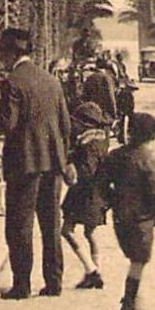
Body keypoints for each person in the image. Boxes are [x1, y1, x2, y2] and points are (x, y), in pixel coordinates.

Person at [0, 27, 72, 299]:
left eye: (2, 53)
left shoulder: (13, 82)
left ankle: (22, 285)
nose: (0, 58)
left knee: (19, 225)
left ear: (12, 53)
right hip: (52, 163)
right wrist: (62, 157)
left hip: (24, 164)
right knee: (51, 225)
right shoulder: (52, 81)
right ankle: (54, 283)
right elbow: (65, 125)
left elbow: (7, 124)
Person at [99, 112, 155, 310]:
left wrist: (112, 200)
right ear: (152, 136)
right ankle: (128, 307)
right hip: (142, 217)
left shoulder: (115, 156)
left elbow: (101, 182)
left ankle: (133, 303)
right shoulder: (147, 159)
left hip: (120, 214)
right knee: (138, 261)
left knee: (134, 259)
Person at [61, 100, 113, 291]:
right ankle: (95, 270)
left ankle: (91, 270)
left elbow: (86, 170)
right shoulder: (103, 138)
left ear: (85, 123)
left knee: (66, 231)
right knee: (90, 232)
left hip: (84, 192)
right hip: (99, 192)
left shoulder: (86, 142)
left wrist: (70, 168)